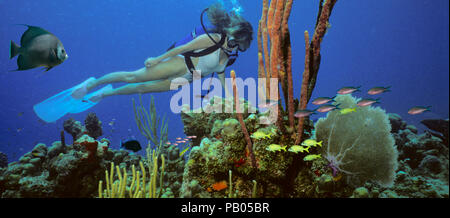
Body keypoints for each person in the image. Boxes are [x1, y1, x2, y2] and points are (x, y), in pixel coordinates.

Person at [33, 4, 253, 122]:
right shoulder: (214, 38)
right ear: (231, 33)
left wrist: (232, 97)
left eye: (240, 46)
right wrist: (157, 59)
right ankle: (91, 84)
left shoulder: (231, 55)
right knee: (133, 77)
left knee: (141, 89)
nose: (234, 47)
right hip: (179, 64)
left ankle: (103, 94)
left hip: (187, 79)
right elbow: (182, 48)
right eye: (234, 41)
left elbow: (222, 74)